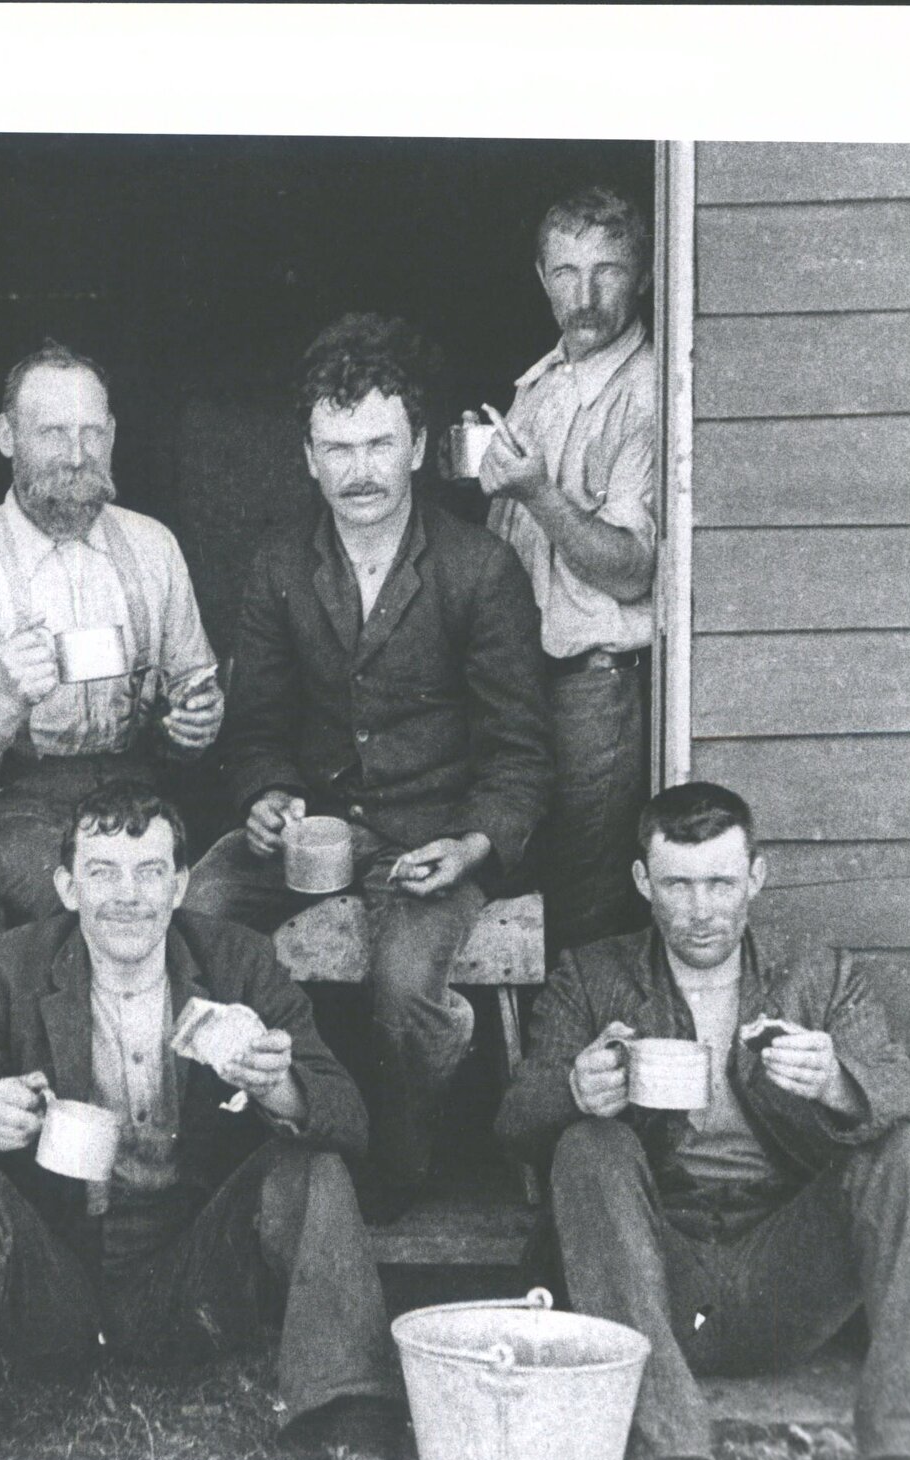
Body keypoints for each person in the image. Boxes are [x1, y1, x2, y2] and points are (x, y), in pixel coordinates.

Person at [0, 783, 408, 1460]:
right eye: (102, 873)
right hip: (57, 1281)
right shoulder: (5, 969)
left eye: (149, 872)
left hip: (195, 1276)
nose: (127, 896)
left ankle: (354, 1423)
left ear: (180, 885)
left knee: (312, 1166)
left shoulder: (238, 961)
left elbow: (349, 1119)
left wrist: (276, 1085)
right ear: (67, 888)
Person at [186, 314, 551, 1212]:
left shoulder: (479, 568)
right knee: (193, 913)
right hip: (314, 831)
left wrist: (471, 846)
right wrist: (266, 795)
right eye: (337, 449)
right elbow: (256, 728)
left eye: (380, 444)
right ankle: (218, 1143)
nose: (360, 471)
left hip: (432, 837)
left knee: (403, 987)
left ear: (418, 447)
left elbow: (519, 755)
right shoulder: (279, 564)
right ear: (307, 458)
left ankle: (397, 1164)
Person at [495, 782, 910, 1460]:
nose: (701, 910)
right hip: (653, 1280)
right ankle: (668, 1447)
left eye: (720, 883)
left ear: (755, 877)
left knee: (906, 1150)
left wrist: (837, 1082)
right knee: (588, 1145)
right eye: (677, 885)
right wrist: (573, 1090)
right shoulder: (593, 977)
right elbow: (513, 1122)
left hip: (785, 1275)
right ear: (642, 882)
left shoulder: (820, 975)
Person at [0, 340, 225, 922]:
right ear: (7, 436)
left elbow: (194, 687)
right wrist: (1, 701)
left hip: (137, 791)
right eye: (52, 433)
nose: (76, 456)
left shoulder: (155, 546)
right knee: (90, 910)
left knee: (202, 905)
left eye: (91, 433)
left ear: (113, 433)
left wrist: (195, 724)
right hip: (7, 805)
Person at [479, 187, 658, 958]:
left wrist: (537, 494)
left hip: (593, 691)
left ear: (642, 275)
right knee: (529, 898)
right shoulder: (543, 381)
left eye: (606, 270)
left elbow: (631, 569)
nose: (583, 295)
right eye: (565, 272)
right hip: (525, 686)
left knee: (583, 914)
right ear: (540, 278)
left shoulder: (647, 392)